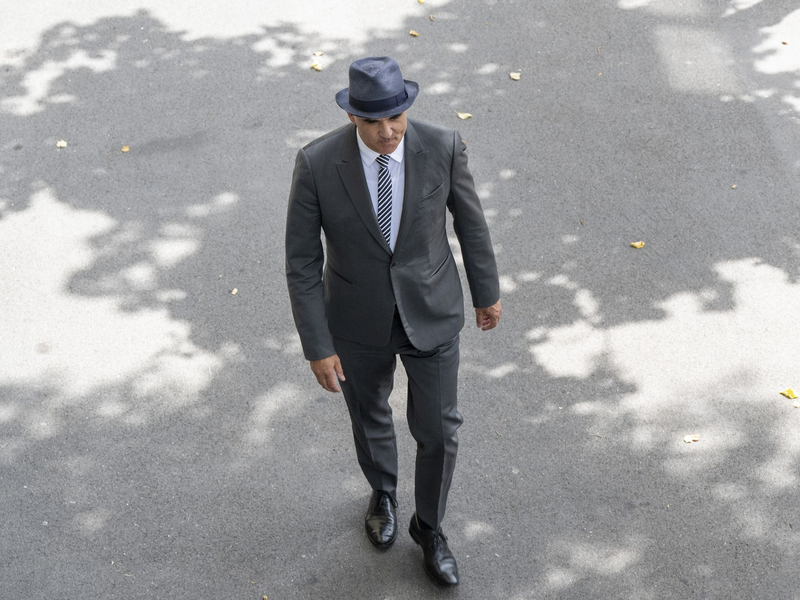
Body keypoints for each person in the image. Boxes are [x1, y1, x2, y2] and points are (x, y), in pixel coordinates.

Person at [285, 56, 501, 586]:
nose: (387, 133)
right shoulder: (316, 164)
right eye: (374, 122)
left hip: (432, 310)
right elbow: (302, 261)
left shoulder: (444, 146)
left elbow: (470, 225)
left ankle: (429, 527)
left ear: (407, 108)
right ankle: (382, 491)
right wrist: (317, 344)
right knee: (369, 413)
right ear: (354, 117)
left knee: (441, 430)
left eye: (395, 119)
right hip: (357, 321)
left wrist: (486, 292)